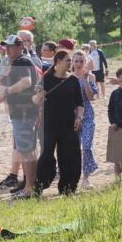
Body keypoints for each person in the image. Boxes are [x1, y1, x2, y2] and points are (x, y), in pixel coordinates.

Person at [32, 50, 83, 195]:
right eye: (67, 60)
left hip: (69, 125)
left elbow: (80, 104)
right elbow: (34, 101)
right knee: (47, 154)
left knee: (70, 156)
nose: (70, 63)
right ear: (58, 61)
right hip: (49, 125)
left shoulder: (73, 80)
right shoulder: (46, 79)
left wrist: (79, 117)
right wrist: (40, 96)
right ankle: (41, 185)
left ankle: (68, 189)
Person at [0, 33, 39, 199]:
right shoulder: (16, 62)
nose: (8, 49)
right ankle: (28, 186)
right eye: (7, 46)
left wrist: (7, 90)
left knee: (26, 151)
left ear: (20, 47)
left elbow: (26, 82)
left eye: (11, 46)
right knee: (27, 150)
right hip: (22, 112)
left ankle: (29, 188)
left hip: (24, 112)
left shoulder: (23, 61)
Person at [71, 51, 99, 186]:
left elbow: (91, 97)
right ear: (72, 62)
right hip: (72, 116)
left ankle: (86, 177)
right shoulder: (68, 77)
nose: (78, 64)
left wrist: (86, 80)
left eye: (81, 61)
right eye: (76, 61)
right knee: (74, 149)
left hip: (87, 115)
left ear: (85, 62)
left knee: (87, 146)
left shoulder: (90, 76)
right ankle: (74, 177)